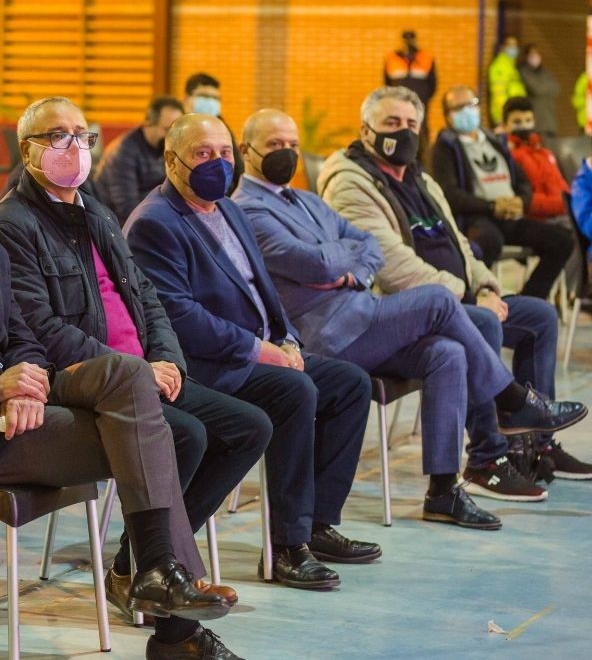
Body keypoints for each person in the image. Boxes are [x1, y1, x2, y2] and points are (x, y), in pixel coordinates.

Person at [0, 105, 238, 660]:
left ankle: (156, 569)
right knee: (164, 438)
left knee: (128, 373)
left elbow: (20, 336)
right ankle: (174, 625)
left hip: (8, 409)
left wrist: (27, 380)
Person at [0, 96, 267, 616]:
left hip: (145, 370)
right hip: (89, 379)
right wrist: (138, 371)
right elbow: (40, 328)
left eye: (82, 135)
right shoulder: (12, 223)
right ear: (26, 151)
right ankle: (159, 577)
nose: (74, 146)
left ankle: (132, 566)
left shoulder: (95, 211)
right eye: (58, 136)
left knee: (249, 427)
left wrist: (167, 359)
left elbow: (146, 297)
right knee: (188, 435)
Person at [236, 108, 584, 525]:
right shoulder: (248, 208)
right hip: (325, 334)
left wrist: (349, 269)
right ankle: (510, 401)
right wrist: (343, 262)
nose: (287, 152)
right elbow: (315, 263)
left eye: (293, 144)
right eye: (275, 144)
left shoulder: (305, 199)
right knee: (437, 299)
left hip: (361, 313)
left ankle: (443, 491)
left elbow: (367, 245)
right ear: (246, 150)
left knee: (447, 353)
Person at [124, 113, 376, 590]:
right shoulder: (155, 222)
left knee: (349, 384)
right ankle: (287, 547)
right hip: (206, 364)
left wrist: (287, 340)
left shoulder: (229, 208)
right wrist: (258, 350)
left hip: (257, 350)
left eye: (224, 153)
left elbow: (263, 290)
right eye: (203, 154)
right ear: (172, 161)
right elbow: (179, 316)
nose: (217, 163)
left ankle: (316, 524)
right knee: (295, 392)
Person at [318, 85, 592, 493]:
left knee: (540, 316)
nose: (403, 131)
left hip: (460, 295)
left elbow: (459, 244)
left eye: (411, 124)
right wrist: (466, 294)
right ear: (365, 130)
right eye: (391, 122)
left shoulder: (421, 178)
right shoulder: (350, 184)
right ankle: (487, 458)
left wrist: (485, 284)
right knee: (482, 321)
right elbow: (394, 268)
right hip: (400, 310)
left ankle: (537, 446)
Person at [430, 84, 572, 298]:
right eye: (458, 108)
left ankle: (529, 301)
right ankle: (478, 300)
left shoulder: (494, 141)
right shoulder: (445, 147)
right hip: (478, 217)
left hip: (510, 215)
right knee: (488, 242)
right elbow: (450, 194)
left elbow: (522, 181)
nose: (467, 110)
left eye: (471, 104)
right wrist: (491, 206)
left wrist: (521, 202)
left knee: (562, 241)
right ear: (448, 116)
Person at [92, 96, 185, 223]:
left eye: (176, 131)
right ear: (148, 123)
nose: (172, 137)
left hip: (150, 214)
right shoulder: (124, 151)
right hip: (113, 222)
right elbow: (127, 208)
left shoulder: (165, 147)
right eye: (167, 129)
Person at [502, 97, 569, 220]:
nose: (524, 126)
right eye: (517, 122)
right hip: (539, 219)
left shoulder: (545, 153)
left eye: (528, 120)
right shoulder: (508, 157)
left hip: (563, 214)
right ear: (505, 126)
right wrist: (565, 205)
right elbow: (525, 199)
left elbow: (562, 187)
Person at [383, 30, 437, 161]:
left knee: (421, 134)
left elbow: (433, 84)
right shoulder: (391, 58)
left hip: (420, 105)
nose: (407, 43)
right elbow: (387, 83)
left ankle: (421, 163)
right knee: (397, 130)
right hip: (397, 105)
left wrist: (423, 99)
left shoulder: (426, 57)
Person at [183, 74, 243, 191]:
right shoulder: (175, 128)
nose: (210, 102)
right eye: (204, 96)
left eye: (215, 98)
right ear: (187, 98)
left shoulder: (223, 130)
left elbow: (238, 171)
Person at [516, 45, 560, 139]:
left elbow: (556, 88)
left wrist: (543, 88)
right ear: (526, 56)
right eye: (532, 54)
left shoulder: (545, 72)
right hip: (535, 122)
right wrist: (546, 88)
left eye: (537, 54)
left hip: (549, 120)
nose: (535, 57)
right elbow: (537, 90)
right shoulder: (524, 72)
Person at [487, 36, 526, 126]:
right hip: (505, 117)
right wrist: (505, 115)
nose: (514, 48)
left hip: (516, 115)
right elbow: (498, 95)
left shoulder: (512, 66)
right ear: (502, 47)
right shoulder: (499, 66)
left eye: (515, 45)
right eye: (510, 45)